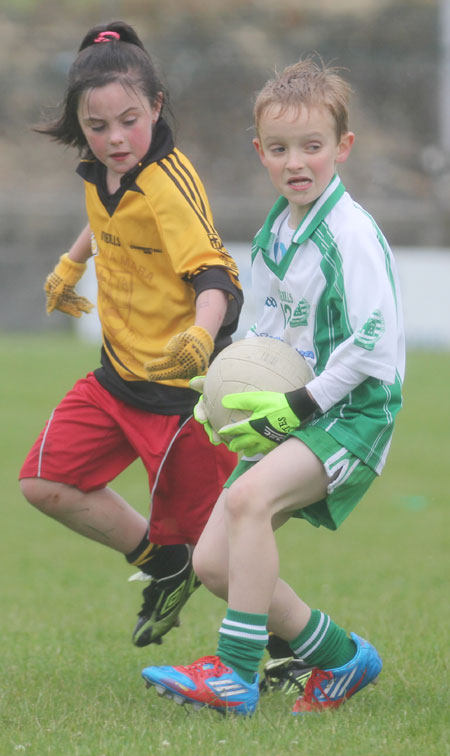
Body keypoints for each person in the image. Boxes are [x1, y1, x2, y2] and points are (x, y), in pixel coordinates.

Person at [141, 57, 405, 716]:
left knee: (250, 498)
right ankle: (343, 658)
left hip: (353, 411)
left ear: (341, 148)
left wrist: (299, 402)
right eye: (281, 148)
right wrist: (220, 392)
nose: (297, 162)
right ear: (260, 152)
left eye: (313, 147)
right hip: (302, 407)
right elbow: (266, 327)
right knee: (212, 564)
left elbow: (377, 346)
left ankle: (232, 672)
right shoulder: (277, 232)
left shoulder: (351, 236)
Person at [18, 20, 244, 649]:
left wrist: (202, 335)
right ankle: (162, 563)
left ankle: (302, 648)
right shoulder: (100, 166)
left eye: (129, 120)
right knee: (44, 482)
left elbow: (214, 272)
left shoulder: (170, 182)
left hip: (181, 398)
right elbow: (107, 213)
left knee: (219, 556)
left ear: (157, 107)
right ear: (81, 124)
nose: (115, 139)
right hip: (116, 378)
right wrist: (72, 263)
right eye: (97, 126)